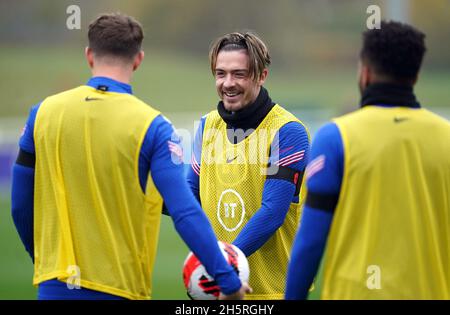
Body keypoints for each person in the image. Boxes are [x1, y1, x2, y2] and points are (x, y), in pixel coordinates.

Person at [10, 13, 250, 300]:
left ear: (89, 55)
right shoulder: (153, 127)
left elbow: (20, 206)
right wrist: (227, 280)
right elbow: (184, 211)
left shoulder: (43, 114)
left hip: (55, 287)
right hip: (121, 289)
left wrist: (44, 262)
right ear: (138, 59)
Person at [285, 20, 450, 300]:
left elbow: (310, 242)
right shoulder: (446, 136)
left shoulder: (335, 137)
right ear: (415, 76)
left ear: (365, 72)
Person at [186, 32, 310, 300]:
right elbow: (189, 196)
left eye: (238, 74)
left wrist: (223, 268)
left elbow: (272, 213)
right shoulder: (207, 125)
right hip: (220, 289)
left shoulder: (288, 131)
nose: (227, 83)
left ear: (261, 75)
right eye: (220, 74)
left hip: (272, 292)